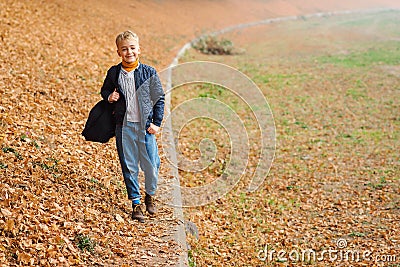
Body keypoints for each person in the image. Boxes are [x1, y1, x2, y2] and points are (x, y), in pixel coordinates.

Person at [100, 30, 165, 223]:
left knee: (152, 165)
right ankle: (136, 203)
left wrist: (157, 123)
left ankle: (150, 195)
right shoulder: (114, 73)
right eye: (124, 49)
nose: (129, 52)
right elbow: (104, 90)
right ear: (119, 52)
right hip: (124, 126)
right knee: (129, 165)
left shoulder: (149, 72)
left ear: (139, 49)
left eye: (132, 48)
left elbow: (159, 98)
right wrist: (109, 96)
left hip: (145, 127)